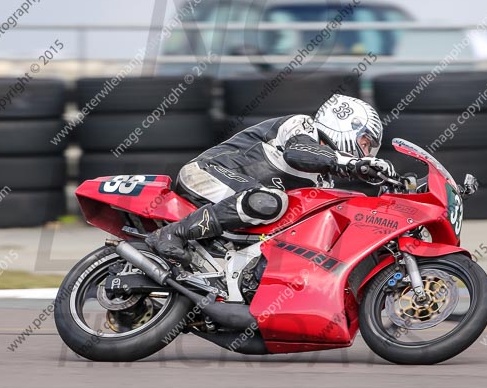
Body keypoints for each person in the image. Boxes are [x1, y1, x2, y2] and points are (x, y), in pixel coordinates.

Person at [145, 94, 397, 264]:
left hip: (236, 198)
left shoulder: (322, 181)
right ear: (346, 123)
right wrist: (353, 163)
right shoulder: (302, 126)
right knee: (268, 201)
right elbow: (298, 153)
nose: (366, 153)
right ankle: (172, 233)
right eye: (365, 143)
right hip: (206, 171)